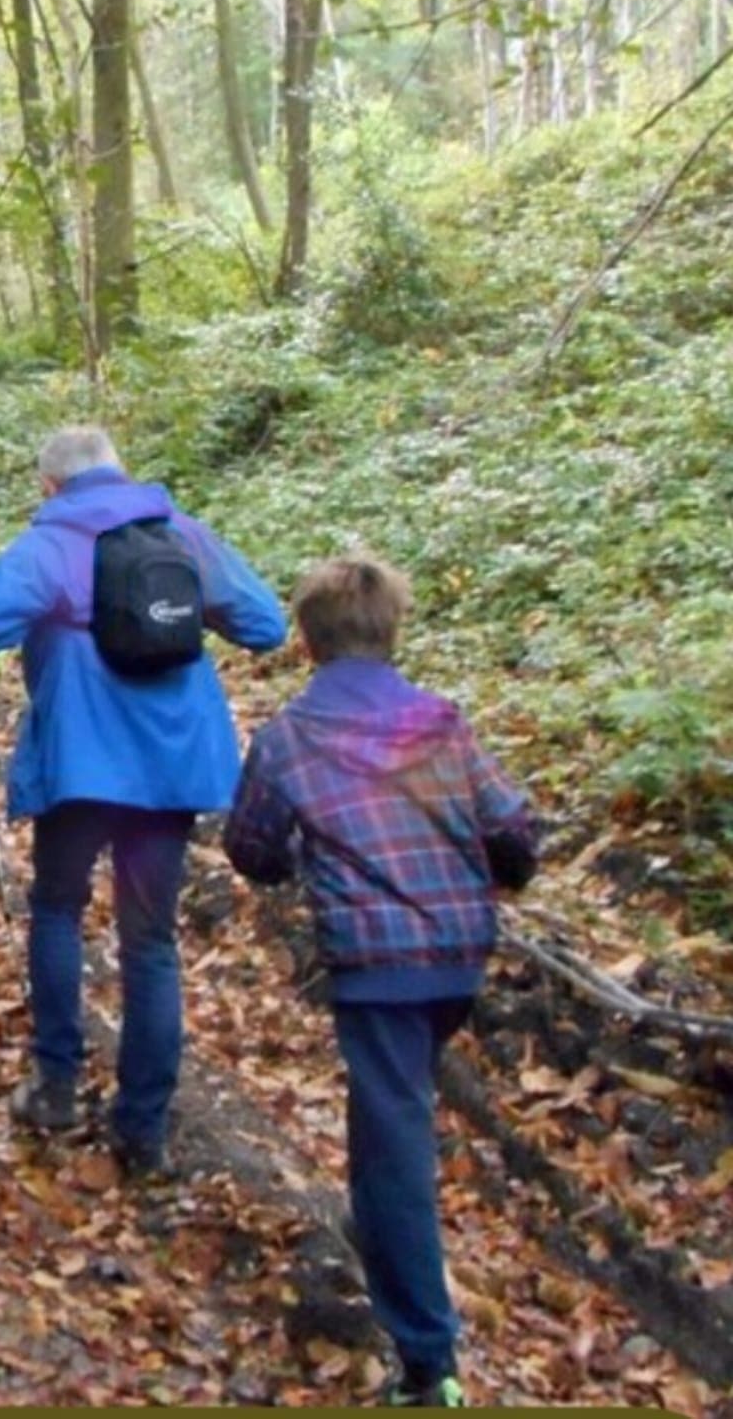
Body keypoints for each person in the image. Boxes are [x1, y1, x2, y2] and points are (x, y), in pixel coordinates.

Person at [224, 556, 538, 1410]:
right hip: (457, 951)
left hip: (376, 964)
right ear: (394, 630)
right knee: (391, 1111)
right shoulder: (440, 721)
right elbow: (514, 832)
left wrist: (302, 854)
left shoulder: (291, 734)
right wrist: (496, 871)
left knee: (395, 1134)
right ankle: (383, 1229)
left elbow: (249, 850)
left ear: (306, 641)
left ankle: (429, 1363)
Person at [0, 425, 285, 1172]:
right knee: (151, 941)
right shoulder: (184, 535)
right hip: (169, 771)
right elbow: (266, 625)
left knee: (58, 911)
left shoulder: (52, 545)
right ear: (123, 473)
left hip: (83, 767)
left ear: (49, 487)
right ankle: (141, 1130)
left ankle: (58, 1086)